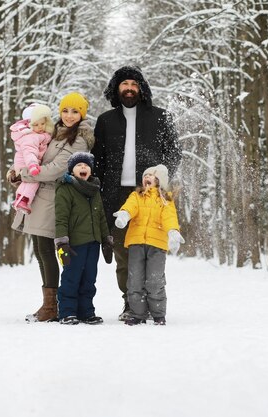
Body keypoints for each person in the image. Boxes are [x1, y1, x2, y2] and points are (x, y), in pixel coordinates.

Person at [92, 65, 182, 321]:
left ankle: (154, 303)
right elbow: (97, 160)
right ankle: (132, 304)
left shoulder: (160, 116)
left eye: (134, 85)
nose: (129, 89)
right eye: (124, 85)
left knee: (151, 248)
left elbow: (174, 153)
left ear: (141, 89)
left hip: (149, 194)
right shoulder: (105, 121)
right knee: (123, 252)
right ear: (116, 89)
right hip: (116, 195)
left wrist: (161, 176)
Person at [8, 92, 94, 322]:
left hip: (53, 199)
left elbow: (57, 168)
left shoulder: (78, 139)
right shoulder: (53, 132)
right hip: (40, 196)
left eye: (75, 111)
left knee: (47, 251)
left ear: (82, 114)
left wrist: (24, 174)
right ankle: (49, 303)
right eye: (65, 110)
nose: (69, 115)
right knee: (40, 250)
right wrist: (16, 171)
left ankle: (52, 306)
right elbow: (33, 154)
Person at [113, 164, 184, 326]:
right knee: (135, 280)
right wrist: (125, 214)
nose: (147, 178)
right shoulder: (136, 196)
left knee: (154, 280)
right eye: (145, 175)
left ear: (160, 180)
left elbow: (169, 217)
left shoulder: (165, 200)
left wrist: (172, 231)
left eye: (151, 175)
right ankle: (138, 314)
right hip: (136, 244)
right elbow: (131, 207)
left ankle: (158, 314)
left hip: (157, 246)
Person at [54, 152, 113, 325]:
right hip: (74, 243)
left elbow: (101, 216)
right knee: (71, 277)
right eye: (79, 165)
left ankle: (86, 311)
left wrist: (106, 239)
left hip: (93, 242)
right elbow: (61, 217)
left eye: (86, 165)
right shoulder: (65, 189)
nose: (83, 167)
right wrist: (62, 242)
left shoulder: (94, 189)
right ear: (72, 171)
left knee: (89, 278)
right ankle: (67, 311)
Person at [9, 103, 53, 214]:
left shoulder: (39, 135)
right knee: (34, 180)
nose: (40, 127)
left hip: (27, 161)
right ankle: (23, 200)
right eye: (36, 124)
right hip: (26, 162)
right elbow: (29, 152)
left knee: (28, 182)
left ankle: (20, 199)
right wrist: (32, 165)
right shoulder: (31, 137)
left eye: (43, 123)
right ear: (29, 125)